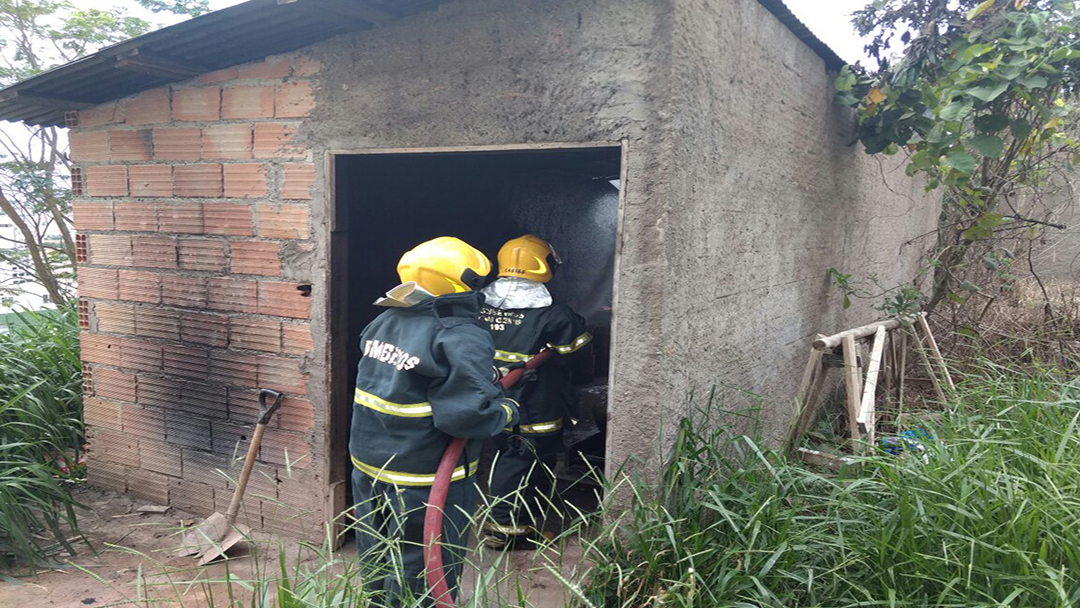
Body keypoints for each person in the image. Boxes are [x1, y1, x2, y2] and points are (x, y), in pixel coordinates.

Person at [350, 236, 520, 606]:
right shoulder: (459, 335)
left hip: (369, 464)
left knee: (378, 547)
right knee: (425, 562)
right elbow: (467, 416)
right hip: (423, 475)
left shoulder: (385, 319)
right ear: (462, 284)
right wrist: (506, 411)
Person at [479, 235, 593, 549]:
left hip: (488, 399)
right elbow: (580, 359)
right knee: (521, 459)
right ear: (544, 266)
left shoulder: (478, 303)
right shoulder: (555, 315)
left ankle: (525, 515)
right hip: (534, 405)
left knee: (508, 455)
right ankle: (506, 530)